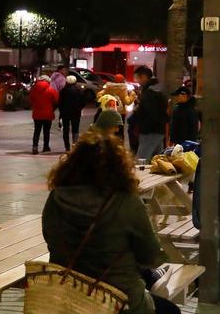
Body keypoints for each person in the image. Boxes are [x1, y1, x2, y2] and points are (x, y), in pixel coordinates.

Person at [41, 131, 180, 314]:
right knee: (171, 311)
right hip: (119, 300)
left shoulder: (56, 198)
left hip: (67, 296)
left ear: (72, 165)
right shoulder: (126, 202)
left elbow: (51, 239)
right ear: (119, 167)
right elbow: (151, 256)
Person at [132, 66, 169, 161]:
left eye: (137, 78)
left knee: (141, 160)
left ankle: (140, 176)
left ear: (144, 77)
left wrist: (141, 126)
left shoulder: (150, 92)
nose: (137, 81)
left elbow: (151, 113)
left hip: (149, 131)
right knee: (157, 160)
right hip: (158, 130)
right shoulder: (158, 88)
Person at [29, 75, 59, 154]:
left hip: (37, 114)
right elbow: (56, 101)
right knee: (46, 131)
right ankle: (46, 147)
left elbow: (30, 100)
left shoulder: (33, 90)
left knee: (37, 131)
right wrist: (52, 109)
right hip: (48, 114)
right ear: (48, 81)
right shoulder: (51, 90)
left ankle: (35, 147)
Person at [59, 75, 86, 151]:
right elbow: (83, 102)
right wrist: (79, 108)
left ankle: (67, 147)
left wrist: (61, 112)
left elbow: (60, 103)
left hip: (65, 113)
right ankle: (74, 145)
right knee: (75, 129)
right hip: (76, 113)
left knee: (66, 130)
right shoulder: (79, 90)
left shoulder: (63, 91)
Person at [50, 65, 68, 129]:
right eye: (63, 70)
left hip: (52, 95)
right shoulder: (62, 78)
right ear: (60, 70)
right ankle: (61, 125)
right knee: (62, 111)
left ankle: (46, 122)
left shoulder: (53, 76)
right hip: (60, 96)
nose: (65, 71)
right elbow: (62, 88)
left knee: (50, 110)